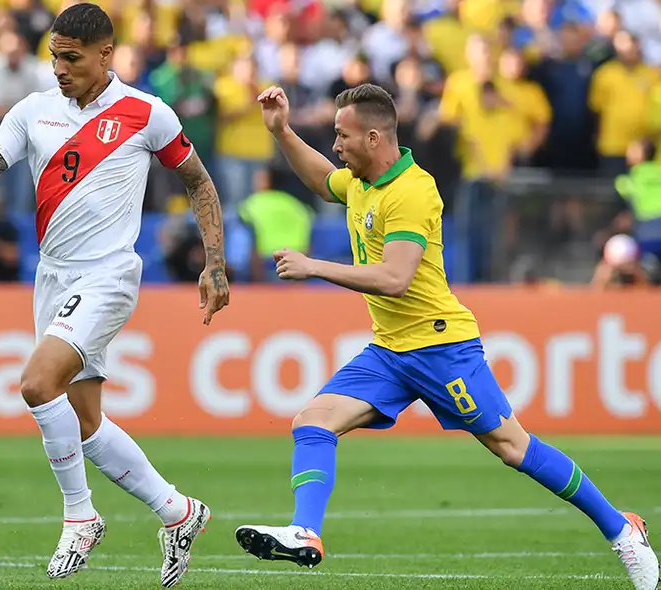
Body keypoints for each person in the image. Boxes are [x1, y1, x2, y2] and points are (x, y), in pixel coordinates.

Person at [233, 83, 659, 590]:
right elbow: (325, 182)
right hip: (390, 350)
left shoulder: (412, 191)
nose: (336, 145)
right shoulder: (361, 181)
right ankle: (305, 531)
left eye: (343, 135)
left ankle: (622, 530)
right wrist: (282, 131)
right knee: (312, 422)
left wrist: (315, 267)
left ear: (374, 138)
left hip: (440, 348)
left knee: (513, 447)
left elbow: (396, 278)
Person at [0, 4, 229, 586]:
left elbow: (199, 181)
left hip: (108, 276)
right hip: (53, 277)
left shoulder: (146, 113)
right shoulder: (32, 111)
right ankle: (178, 511)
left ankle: (80, 516)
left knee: (37, 384)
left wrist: (215, 263)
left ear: (106, 54)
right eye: (54, 56)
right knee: (84, 423)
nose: (59, 68)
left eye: (72, 58)